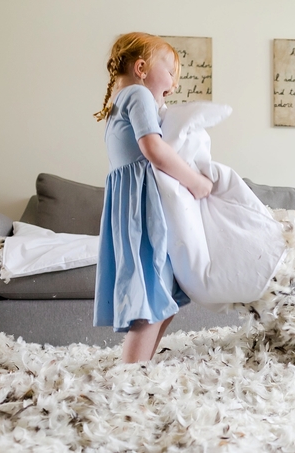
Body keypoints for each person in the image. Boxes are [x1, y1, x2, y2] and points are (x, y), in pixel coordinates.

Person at [92, 32, 212, 363]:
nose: (173, 85)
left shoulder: (123, 99)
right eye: (171, 73)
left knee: (164, 297)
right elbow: (153, 149)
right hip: (140, 208)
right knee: (152, 293)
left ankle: (141, 365)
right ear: (142, 67)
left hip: (132, 204)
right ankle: (129, 377)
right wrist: (195, 182)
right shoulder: (137, 94)